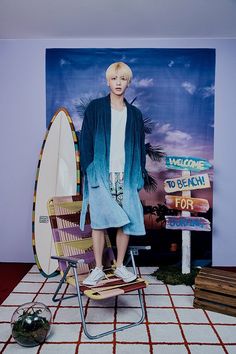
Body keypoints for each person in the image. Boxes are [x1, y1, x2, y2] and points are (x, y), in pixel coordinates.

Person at [79, 62, 147, 286]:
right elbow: (86, 141)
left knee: (125, 221)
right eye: (114, 79)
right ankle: (98, 268)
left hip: (125, 176)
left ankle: (119, 266)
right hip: (100, 174)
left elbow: (140, 146)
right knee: (99, 222)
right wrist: (90, 169)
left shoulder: (135, 115)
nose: (118, 83)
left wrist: (138, 175)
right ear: (108, 81)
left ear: (129, 82)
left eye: (123, 79)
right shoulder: (95, 108)